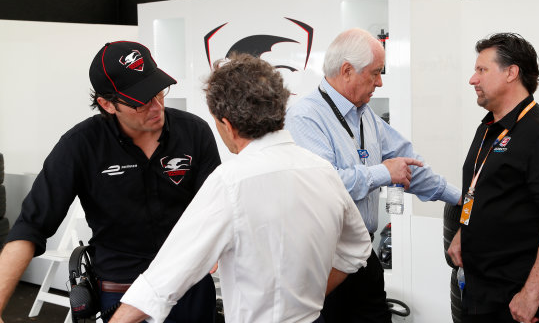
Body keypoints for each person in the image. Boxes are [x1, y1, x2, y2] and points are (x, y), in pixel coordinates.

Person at [108, 54, 372, 323]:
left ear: (227, 124)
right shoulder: (323, 171)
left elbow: (161, 283)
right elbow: (358, 248)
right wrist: (306, 298)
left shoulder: (230, 182)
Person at [0, 41, 221, 322]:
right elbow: (31, 225)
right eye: (140, 101)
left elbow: (215, 209)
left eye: (158, 92)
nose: (156, 106)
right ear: (106, 103)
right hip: (120, 293)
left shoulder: (194, 132)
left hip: (188, 288)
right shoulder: (79, 146)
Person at [285, 27, 461, 323]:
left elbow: (411, 167)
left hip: (364, 253)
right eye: (375, 73)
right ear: (346, 71)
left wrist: (461, 197)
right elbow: (325, 185)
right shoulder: (305, 117)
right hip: (324, 261)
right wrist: (383, 173)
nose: (379, 82)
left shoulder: (366, 115)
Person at [447, 33, 539, 323]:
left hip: (521, 303)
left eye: (482, 70)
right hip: (482, 293)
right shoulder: (488, 129)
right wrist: (463, 231)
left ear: (511, 72)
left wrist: (530, 293)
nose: (473, 79)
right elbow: (485, 192)